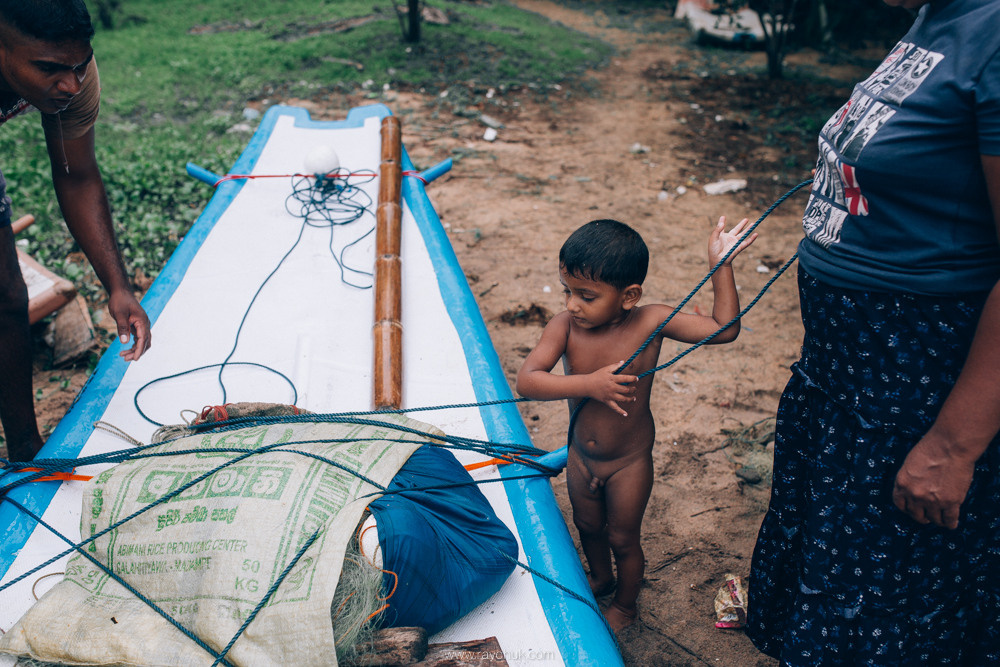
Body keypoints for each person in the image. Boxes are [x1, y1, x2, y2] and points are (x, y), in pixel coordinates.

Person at [747, 0, 1000, 663]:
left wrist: (952, 443)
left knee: (895, 613)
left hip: (912, 395)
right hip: (848, 389)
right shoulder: (940, 17)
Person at [516, 217, 756, 631]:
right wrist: (590, 384)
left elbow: (724, 330)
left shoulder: (650, 322)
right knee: (587, 525)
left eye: (587, 296)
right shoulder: (564, 326)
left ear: (629, 296)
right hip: (580, 456)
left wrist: (722, 266)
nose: (573, 304)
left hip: (628, 462)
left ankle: (626, 605)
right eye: (568, 291)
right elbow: (527, 380)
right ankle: (601, 577)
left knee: (623, 539)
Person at [0, 0, 150, 463]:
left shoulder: (70, 69)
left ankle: (26, 453)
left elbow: (76, 174)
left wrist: (118, 287)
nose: (70, 83)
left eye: (80, 64)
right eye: (50, 69)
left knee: (8, 298)